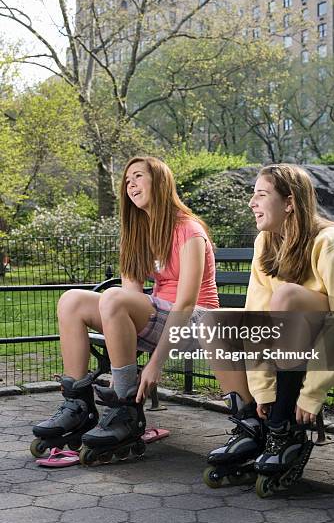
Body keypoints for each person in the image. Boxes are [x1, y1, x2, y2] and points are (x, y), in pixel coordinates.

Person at [204, 163, 334, 493]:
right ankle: (254, 427)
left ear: (290, 202)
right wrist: (263, 390)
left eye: (261, 195)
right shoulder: (266, 242)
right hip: (300, 332)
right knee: (215, 321)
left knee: (287, 295)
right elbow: (257, 316)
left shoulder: (332, 243)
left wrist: (312, 392)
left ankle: (284, 429)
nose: (252, 203)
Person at [32, 156, 219, 463]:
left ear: (160, 182)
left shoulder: (188, 229)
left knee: (114, 297)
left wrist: (155, 364)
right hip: (160, 319)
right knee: (71, 300)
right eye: (127, 180)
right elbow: (128, 296)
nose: (131, 184)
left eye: (138, 177)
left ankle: (125, 409)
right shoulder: (137, 232)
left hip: (197, 322)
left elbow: (185, 303)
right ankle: (77, 405)